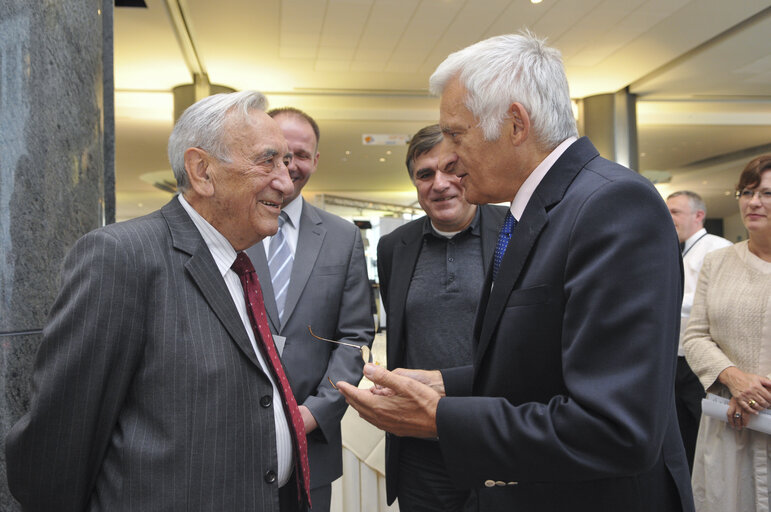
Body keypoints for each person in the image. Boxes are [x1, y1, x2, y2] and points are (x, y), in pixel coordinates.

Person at [338, 32, 695, 512]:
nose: (451, 161)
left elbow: (618, 429)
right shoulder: (541, 209)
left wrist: (440, 417)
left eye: (457, 135)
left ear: (515, 124)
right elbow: (548, 366)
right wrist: (449, 384)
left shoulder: (612, 205)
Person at [5, 91, 311, 512]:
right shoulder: (122, 257)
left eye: (287, 164)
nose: (285, 180)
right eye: (268, 161)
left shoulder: (237, 264)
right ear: (202, 171)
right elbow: (58, 442)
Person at [244, 107, 374, 512]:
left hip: (312, 443)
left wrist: (313, 414)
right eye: (276, 154)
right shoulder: (230, 227)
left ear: (316, 160)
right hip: (233, 440)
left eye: (300, 154)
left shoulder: (342, 237)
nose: (289, 165)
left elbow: (353, 339)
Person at [377, 124, 507, 511]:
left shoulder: (516, 232)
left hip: (497, 434)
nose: (441, 183)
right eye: (425, 174)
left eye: (452, 168)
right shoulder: (393, 248)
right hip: (421, 448)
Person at [683, 155, 771, 512]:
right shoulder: (718, 263)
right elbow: (696, 336)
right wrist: (735, 380)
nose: (753, 202)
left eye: (767, 193)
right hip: (730, 420)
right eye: (746, 192)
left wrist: (758, 394)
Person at [666, 190, 732, 471]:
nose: (669, 218)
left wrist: (664, 299)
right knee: (679, 433)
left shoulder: (718, 248)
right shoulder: (674, 248)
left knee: (701, 430)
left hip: (701, 362)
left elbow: (716, 301)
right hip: (674, 359)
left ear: (699, 216)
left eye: (675, 212)